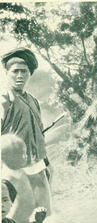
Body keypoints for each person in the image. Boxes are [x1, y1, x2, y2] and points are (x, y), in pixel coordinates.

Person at [1, 48, 52, 214]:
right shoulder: (4, 100)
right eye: (15, 71)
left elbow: (39, 134)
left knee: (41, 214)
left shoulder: (33, 101)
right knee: (12, 216)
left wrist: (45, 159)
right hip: (13, 168)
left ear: (30, 74)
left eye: (24, 72)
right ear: (7, 73)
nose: (20, 76)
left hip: (36, 165)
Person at [1, 134, 52, 223]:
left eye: (5, 200)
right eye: (20, 154)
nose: (2, 205)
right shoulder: (8, 178)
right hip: (19, 220)